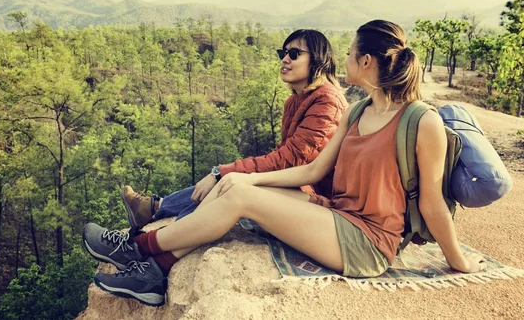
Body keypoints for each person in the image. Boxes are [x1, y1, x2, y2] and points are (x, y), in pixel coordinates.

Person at [82, 20, 488, 307]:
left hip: (368, 242)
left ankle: (136, 247)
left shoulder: (422, 121)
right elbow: (312, 172)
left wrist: (459, 262)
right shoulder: (359, 111)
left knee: (243, 198)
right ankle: (156, 275)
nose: (342, 60)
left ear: (366, 63)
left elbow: (433, 204)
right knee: (235, 189)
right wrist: (236, 177)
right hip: (338, 216)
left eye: (349, 54)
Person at [121, 29, 348, 229]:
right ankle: (156, 210)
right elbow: (283, 155)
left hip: (321, 199)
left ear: (318, 60)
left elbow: (290, 160)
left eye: (294, 54)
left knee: (231, 182)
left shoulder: (326, 102)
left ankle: (170, 232)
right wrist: (229, 172)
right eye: (283, 53)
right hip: (301, 184)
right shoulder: (297, 100)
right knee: (233, 177)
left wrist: (222, 171)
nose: (285, 59)